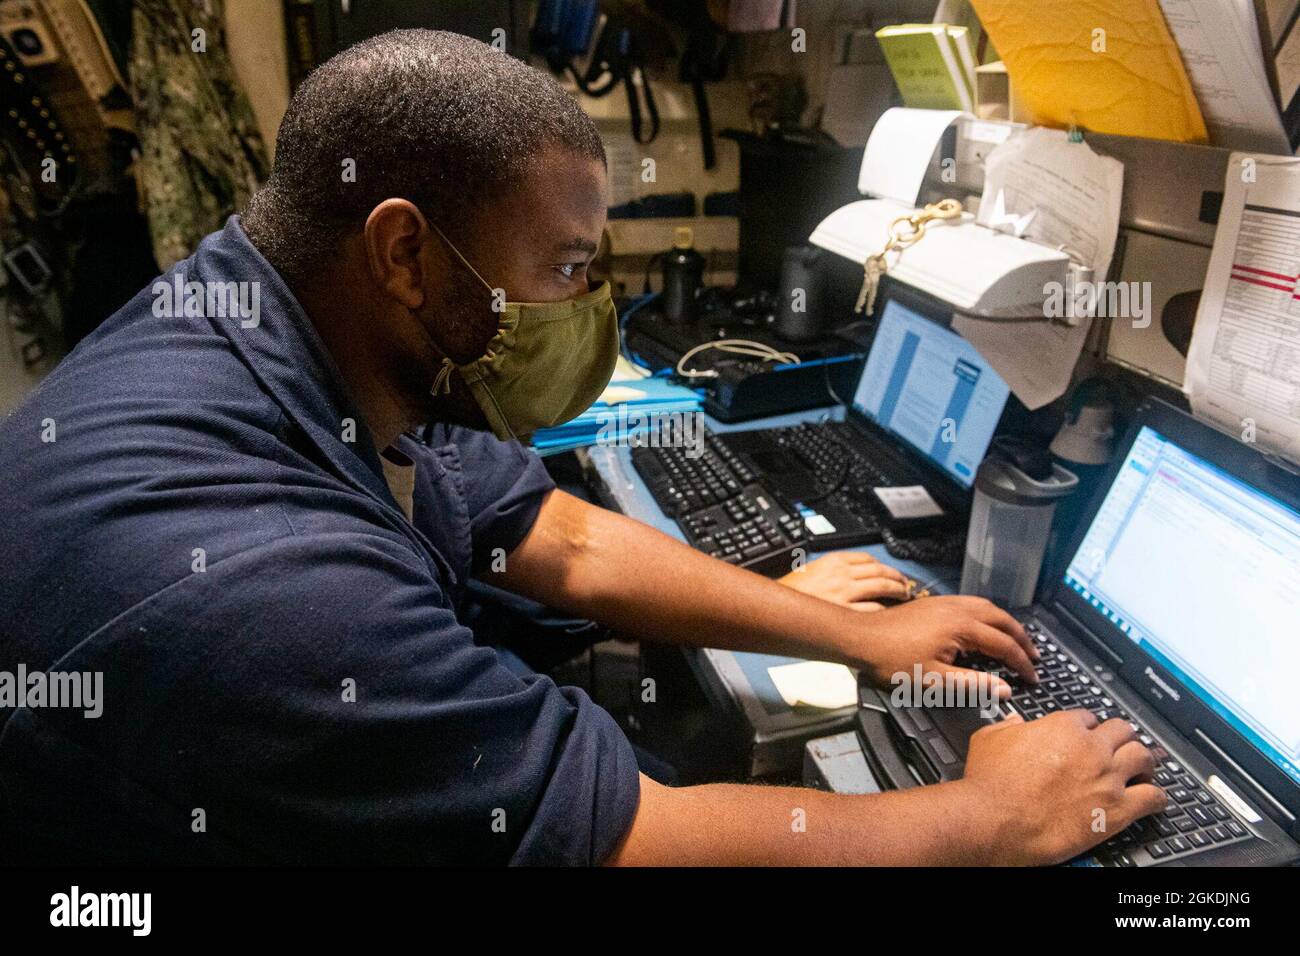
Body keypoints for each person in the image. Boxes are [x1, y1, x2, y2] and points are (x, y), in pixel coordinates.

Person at [0, 30, 1164, 866]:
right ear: (404, 255)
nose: (582, 307)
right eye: (562, 269)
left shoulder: (285, 322)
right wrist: (988, 820)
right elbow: (630, 837)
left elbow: (542, 531)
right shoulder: (263, 586)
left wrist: (858, 630)